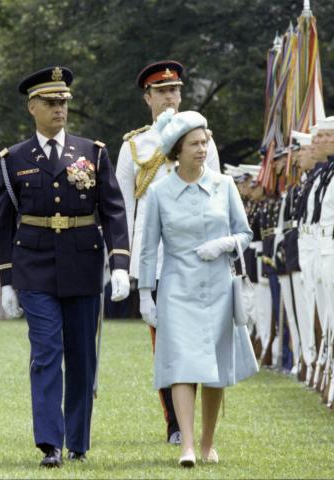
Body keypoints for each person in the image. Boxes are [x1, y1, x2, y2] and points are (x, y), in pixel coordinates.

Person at [0, 66, 130, 467]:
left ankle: (79, 441)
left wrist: (119, 263)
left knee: (82, 356)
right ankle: (50, 443)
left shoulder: (92, 152)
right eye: (51, 103)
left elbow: (114, 211)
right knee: (47, 351)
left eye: (64, 102)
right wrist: (6, 280)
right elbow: (5, 224)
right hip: (34, 266)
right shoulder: (13, 158)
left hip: (83, 264)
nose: (60, 109)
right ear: (32, 107)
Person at [138, 109, 257, 467]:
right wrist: (145, 292)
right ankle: (187, 445)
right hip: (177, 286)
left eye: (205, 142)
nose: (202, 149)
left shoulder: (224, 185)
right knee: (182, 366)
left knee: (215, 367)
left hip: (219, 285)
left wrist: (224, 245)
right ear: (177, 149)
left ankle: (208, 443)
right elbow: (148, 247)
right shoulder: (159, 192)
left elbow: (245, 233)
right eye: (194, 144)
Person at [116, 60, 220, 445]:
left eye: (175, 90)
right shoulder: (135, 146)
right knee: (165, 342)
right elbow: (122, 208)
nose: (170, 98)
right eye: (161, 92)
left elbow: (218, 196)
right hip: (155, 259)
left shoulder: (201, 141)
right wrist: (121, 262)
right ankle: (176, 422)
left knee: (198, 337)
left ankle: (195, 421)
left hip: (196, 255)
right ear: (148, 98)